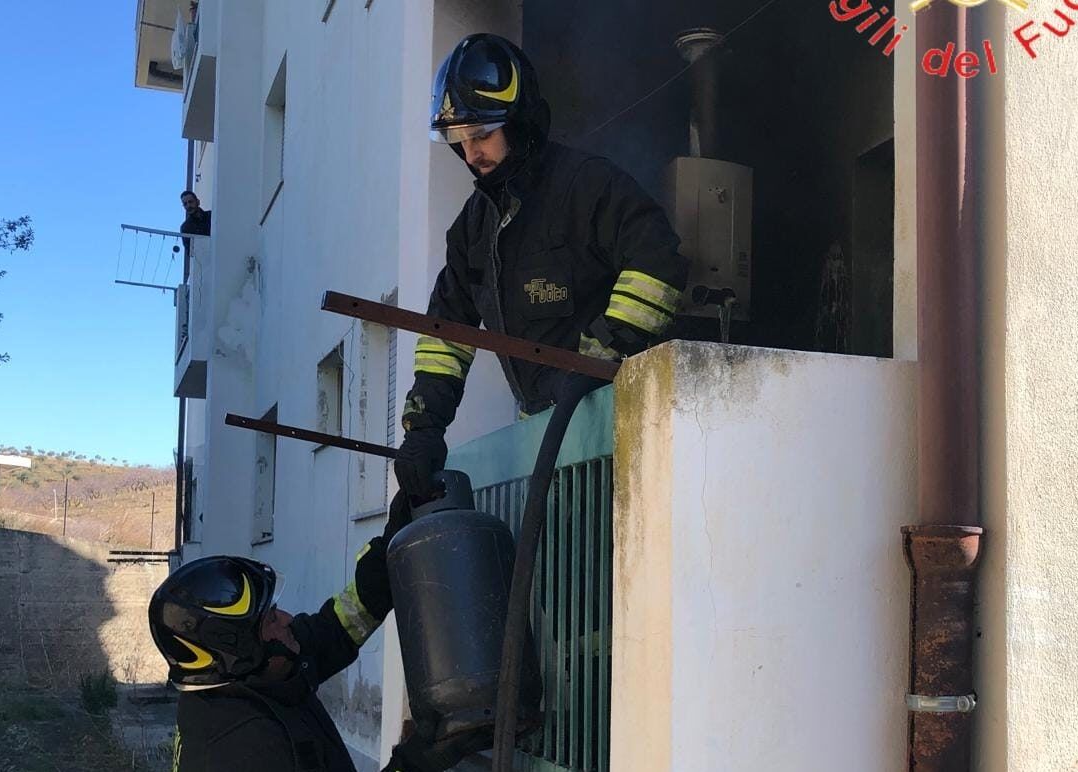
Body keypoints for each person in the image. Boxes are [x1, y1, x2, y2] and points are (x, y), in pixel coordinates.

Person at [395, 33, 690, 500]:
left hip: (616, 433)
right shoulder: (472, 229)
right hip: (547, 445)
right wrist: (422, 430)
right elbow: (444, 336)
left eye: (482, 135)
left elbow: (659, 264)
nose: (471, 155)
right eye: (459, 140)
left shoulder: (586, 186)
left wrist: (596, 358)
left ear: (521, 121)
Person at [149, 494, 482, 772]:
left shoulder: (253, 676)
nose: (287, 618)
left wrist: (386, 554)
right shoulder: (247, 750)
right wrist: (413, 765)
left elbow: (333, 631)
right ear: (239, 651)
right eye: (270, 621)